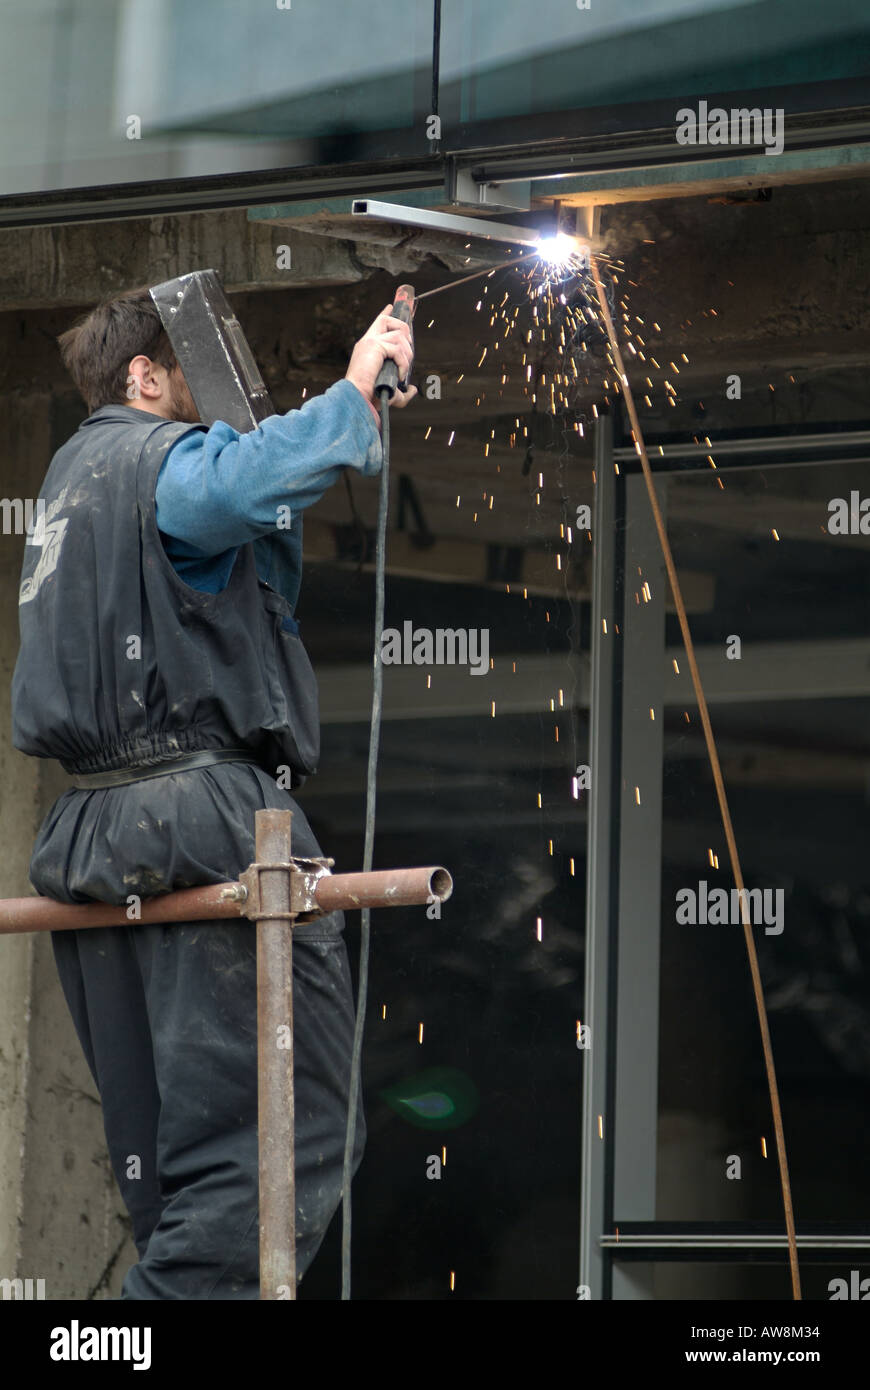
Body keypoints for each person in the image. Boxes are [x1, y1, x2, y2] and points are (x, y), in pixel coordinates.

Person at [11, 284, 415, 1299]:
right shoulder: (154, 460)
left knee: (171, 1176)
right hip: (194, 821)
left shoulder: (70, 483)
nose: (215, 412)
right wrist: (351, 393)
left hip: (92, 837)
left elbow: (237, 552)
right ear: (145, 376)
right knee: (278, 1148)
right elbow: (231, 487)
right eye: (193, 381)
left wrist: (339, 426)